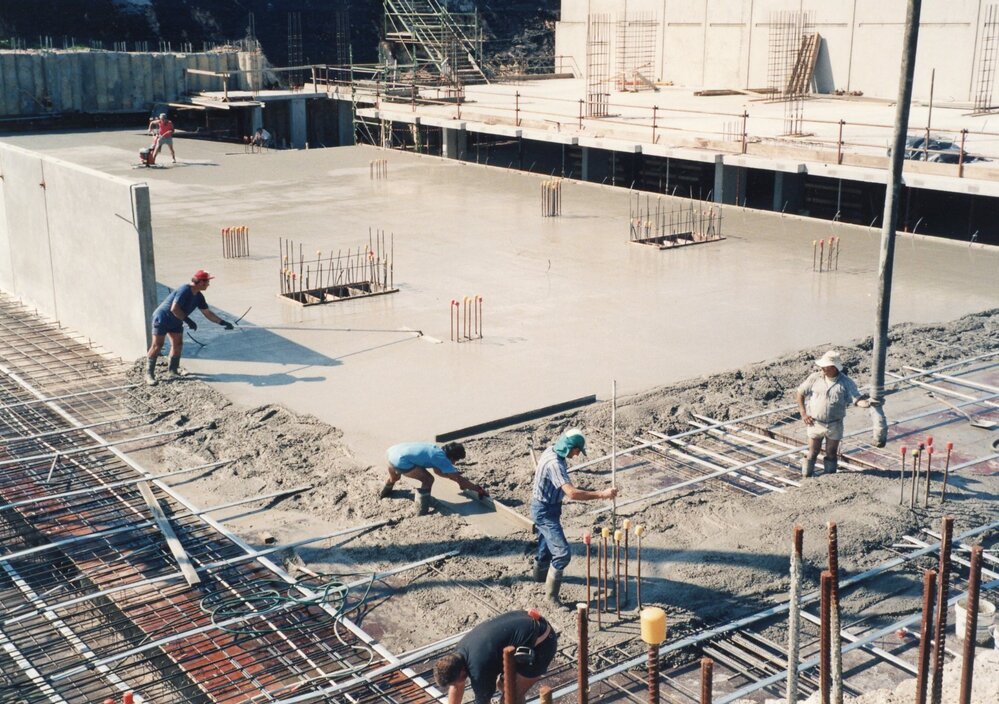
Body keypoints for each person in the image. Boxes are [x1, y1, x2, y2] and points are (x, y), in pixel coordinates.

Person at [530, 428, 617, 604]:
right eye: (578, 451)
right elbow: (572, 493)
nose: (577, 455)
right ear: (571, 447)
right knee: (562, 554)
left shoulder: (551, 450)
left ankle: (539, 577)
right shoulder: (555, 464)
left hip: (547, 507)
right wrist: (602, 494)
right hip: (545, 511)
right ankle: (551, 598)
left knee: (546, 544)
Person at [434, 609, 557, 704]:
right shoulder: (458, 654)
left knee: (510, 697)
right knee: (502, 685)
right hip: (524, 623)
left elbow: (482, 701)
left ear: (462, 672)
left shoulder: (479, 670)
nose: (456, 685)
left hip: (542, 643)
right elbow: (456, 686)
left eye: (455, 682)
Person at [144, 270, 234, 386]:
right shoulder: (184, 290)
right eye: (207, 282)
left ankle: (173, 370)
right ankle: (149, 374)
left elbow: (207, 313)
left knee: (178, 344)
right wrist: (188, 320)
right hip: (162, 318)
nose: (208, 285)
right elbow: (174, 308)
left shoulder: (199, 297)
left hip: (176, 320)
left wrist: (222, 322)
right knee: (158, 345)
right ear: (201, 282)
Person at [796, 350, 873, 477]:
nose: (822, 368)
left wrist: (867, 403)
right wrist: (803, 413)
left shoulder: (846, 382)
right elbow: (800, 393)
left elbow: (857, 399)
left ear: (833, 367)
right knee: (812, 452)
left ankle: (829, 479)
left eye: (824, 366)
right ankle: (806, 477)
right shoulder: (815, 378)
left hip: (835, 424)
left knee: (831, 453)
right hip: (815, 422)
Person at [380, 441, 487, 516]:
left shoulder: (435, 449)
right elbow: (460, 480)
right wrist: (477, 489)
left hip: (391, 452)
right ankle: (421, 510)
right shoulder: (442, 458)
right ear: (452, 457)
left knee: (394, 478)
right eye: (456, 460)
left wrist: (452, 476)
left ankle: (384, 493)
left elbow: (437, 471)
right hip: (401, 460)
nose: (455, 463)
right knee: (428, 479)